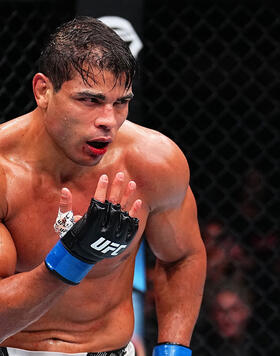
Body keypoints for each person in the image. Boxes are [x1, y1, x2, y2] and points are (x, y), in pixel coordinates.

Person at [0, 17, 206, 356]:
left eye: (121, 102)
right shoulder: (6, 174)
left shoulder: (153, 162)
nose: (108, 120)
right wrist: (73, 257)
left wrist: (174, 349)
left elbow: (182, 256)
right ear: (43, 91)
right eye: (90, 100)